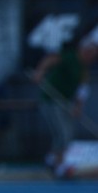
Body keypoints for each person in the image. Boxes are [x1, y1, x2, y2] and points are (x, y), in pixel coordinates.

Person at [31, 37, 89, 178]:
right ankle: (58, 166)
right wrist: (40, 72)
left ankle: (51, 160)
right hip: (52, 99)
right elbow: (50, 60)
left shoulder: (83, 67)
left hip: (65, 101)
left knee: (67, 133)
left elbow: (82, 89)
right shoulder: (70, 56)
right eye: (90, 52)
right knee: (63, 133)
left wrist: (78, 107)